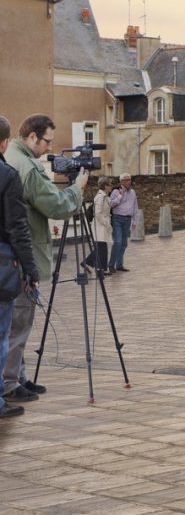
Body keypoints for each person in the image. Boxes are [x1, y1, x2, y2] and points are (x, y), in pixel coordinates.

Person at [4, 114, 87, 406]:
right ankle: (10, 383)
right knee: (19, 323)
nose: (49, 148)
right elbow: (56, 204)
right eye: (47, 141)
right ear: (31, 137)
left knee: (16, 323)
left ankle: (18, 376)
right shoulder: (26, 167)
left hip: (14, 256)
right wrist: (78, 189)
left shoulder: (12, 158)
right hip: (23, 257)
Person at [0, 115, 41, 420]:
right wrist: (31, 269)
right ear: (4, 142)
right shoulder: (8, 175)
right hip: (2, 261)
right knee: (2, 334)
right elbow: (17, 228)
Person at [108, 171, 138, 272]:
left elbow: (135, 206)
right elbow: (111, 204)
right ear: (121, 181)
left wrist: (134, 220)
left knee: (124, 243)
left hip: (128, 219)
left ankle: (119, 265)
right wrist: (120, 196)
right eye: (126, 180)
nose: (129, 182)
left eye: (129, 179)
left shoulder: (133, 192)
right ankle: (111, 265)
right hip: (117, 219)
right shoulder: (116, 192)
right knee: (117, 242)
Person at [88, 177, 113, 275]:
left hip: (102, 225)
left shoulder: (105, 196)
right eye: (110, 184)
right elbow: (97, 213)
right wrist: (105, 223)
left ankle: (99, 268)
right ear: (105, 186)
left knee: (101, 247)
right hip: (99, 226)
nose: (111, 186)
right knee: (101, 248)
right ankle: (99, 269)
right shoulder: (100, 197)